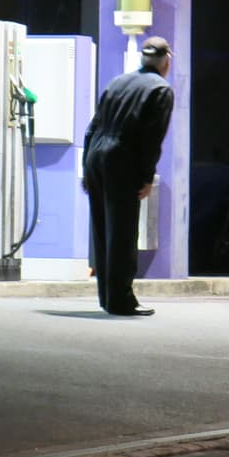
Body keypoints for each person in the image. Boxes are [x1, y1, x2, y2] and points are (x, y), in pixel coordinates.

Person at [83, 36, 174, 316]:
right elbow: (151, 138)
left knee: (101, 228)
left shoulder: (118, 82)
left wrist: (87, 167)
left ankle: (106, 297)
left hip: (96, 154)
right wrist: (147, 176)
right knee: (122, 231)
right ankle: (122, 300)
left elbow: (93, 126)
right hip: (122, 158)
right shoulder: (160, 90)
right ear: (166, 62)